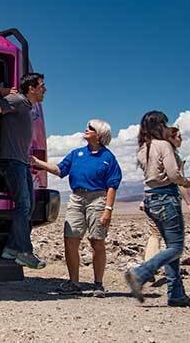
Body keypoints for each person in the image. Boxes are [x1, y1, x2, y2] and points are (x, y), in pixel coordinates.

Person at [31, 119, 122, 297]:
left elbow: (112, 185)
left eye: (91, 128)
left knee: (97, 241)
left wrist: (108, 209)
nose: (86, 129)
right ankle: (73, 283)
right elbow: (59, 170)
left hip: (98, 199)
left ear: (99, 134)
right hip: (76, 198)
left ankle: (98, 284)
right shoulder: (76, 154)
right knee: (70, 239)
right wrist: (38, 163)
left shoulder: (108, 157)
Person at [124, 111, 190, 308]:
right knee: (176, 247)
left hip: (151, 198)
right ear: (159, 125)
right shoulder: (163, 145)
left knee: (170, 247)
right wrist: (187, 182)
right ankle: (139, 274)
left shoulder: (143, 148)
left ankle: (176, 294)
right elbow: (173, 173)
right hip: (166, 198)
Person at [0, 73, 47, 269]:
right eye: (41, 86)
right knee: (23, 205)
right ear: (31, 88)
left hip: (21, 162)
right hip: (9, 161)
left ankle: (12, 248)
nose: (45, 89)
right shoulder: (16, 100)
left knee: (29, 205)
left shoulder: (27, 106)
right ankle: (25, 252)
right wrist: (2, 94)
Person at [141, 126, 190, 263]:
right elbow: (178, 180)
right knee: (172, 237)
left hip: (152, 197)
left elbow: (151, 179)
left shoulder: (152, 153)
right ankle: (164, 272)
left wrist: (144, 199)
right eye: (179, 137)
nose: (182, 140)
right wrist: (189, 203)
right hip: (169, 198)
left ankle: (148, 267)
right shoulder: (176, 156)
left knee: (154, 234)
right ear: (170, 139)